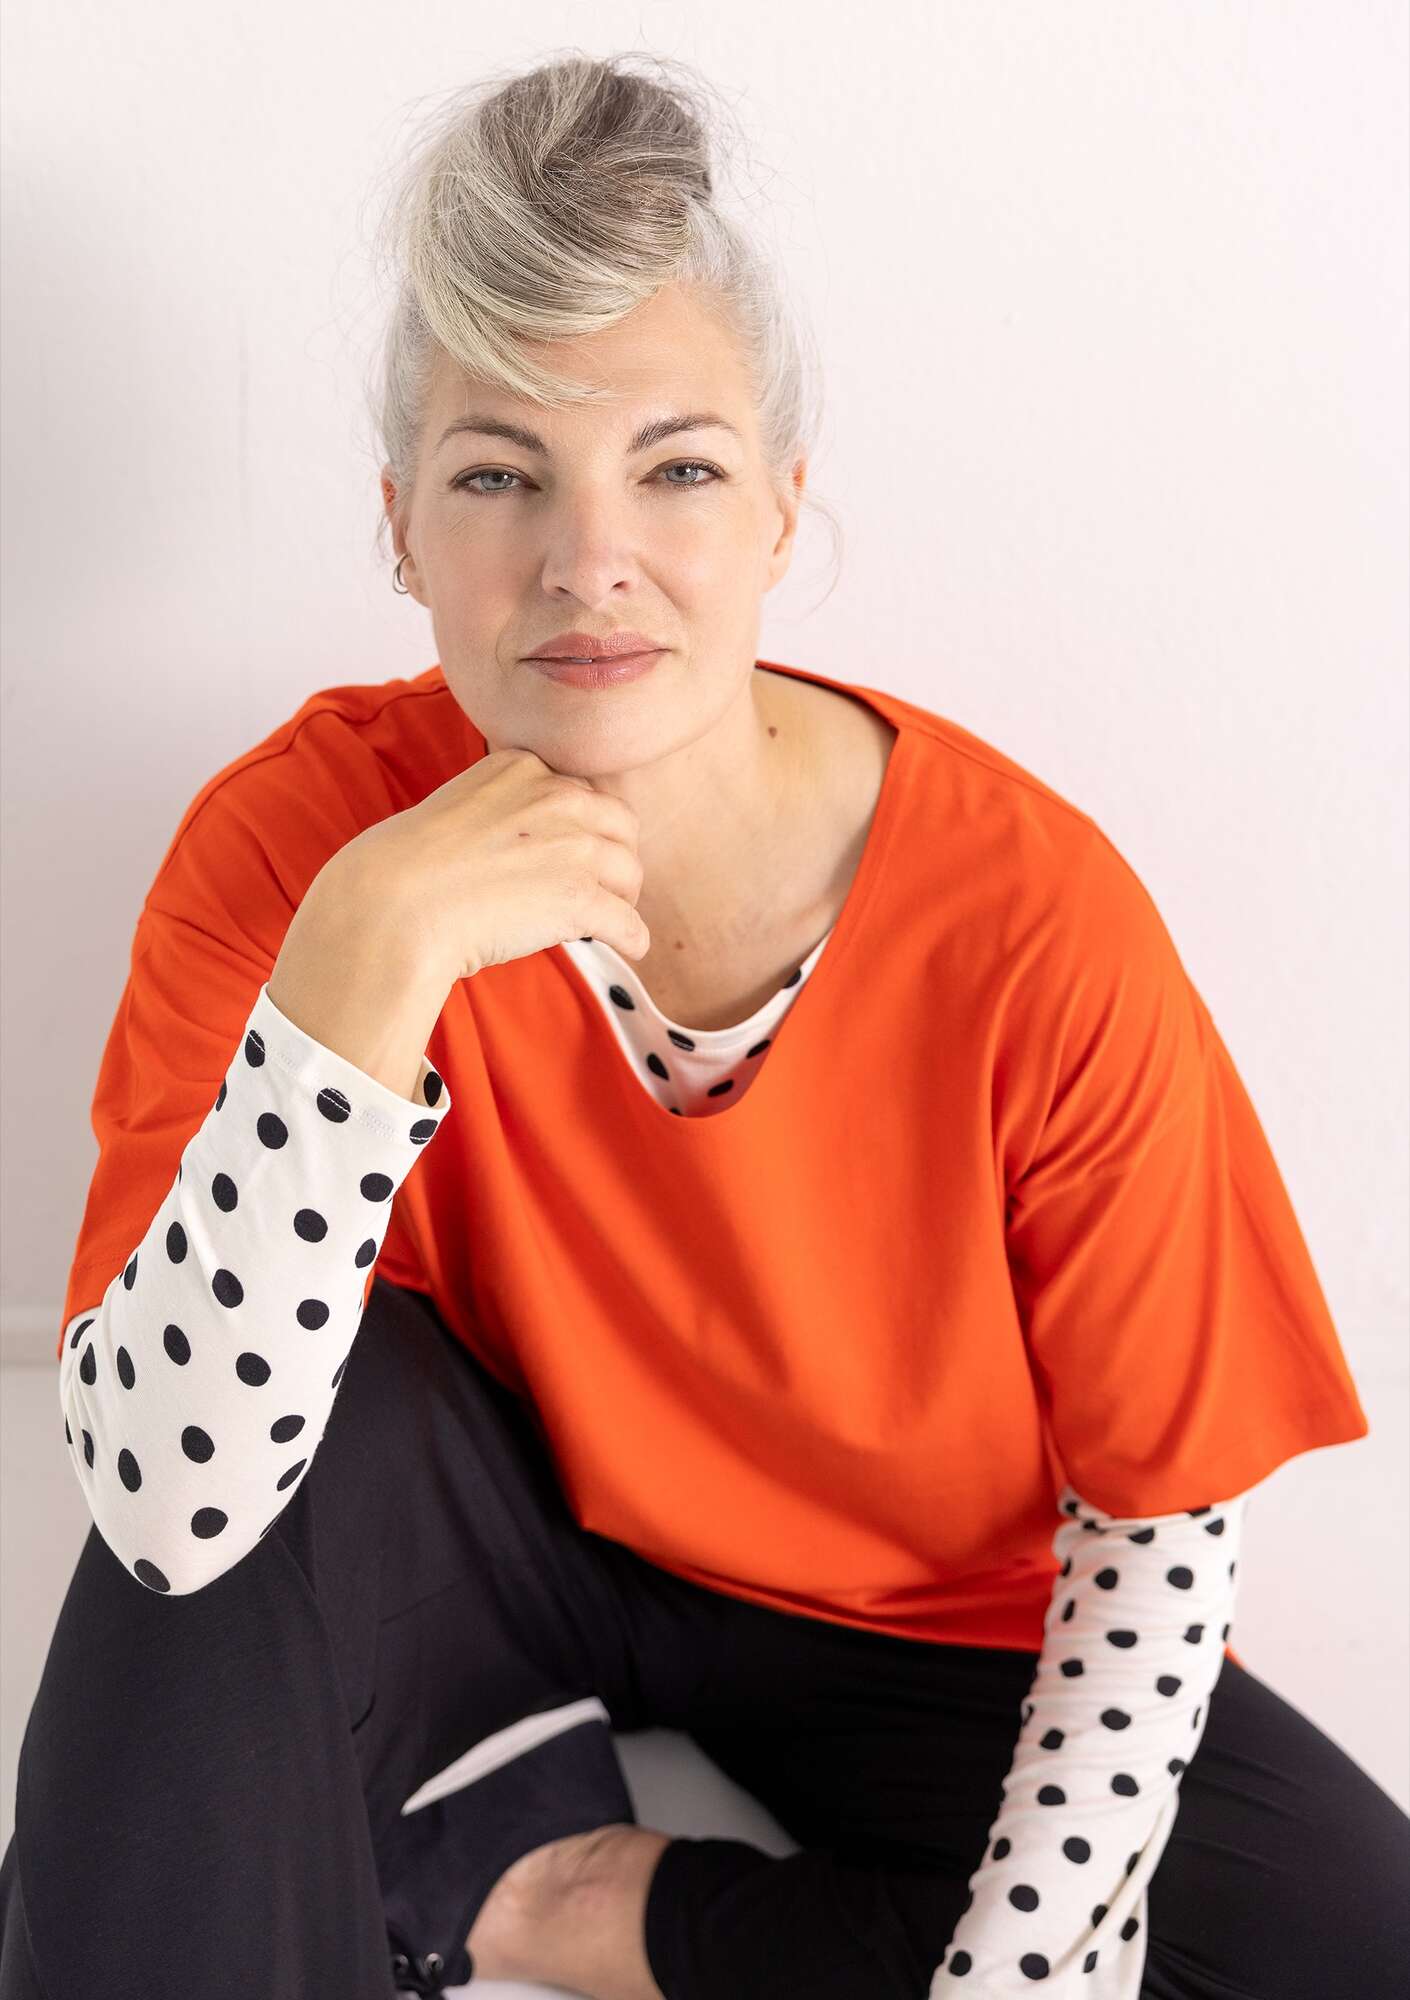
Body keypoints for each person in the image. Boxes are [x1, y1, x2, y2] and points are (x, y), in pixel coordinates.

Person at [2, 49, 1406, 2000]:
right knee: (262, 1502)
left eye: (674, 468)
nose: (588, 560)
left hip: (920, 1618)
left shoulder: (1030, 919)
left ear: (778, 513)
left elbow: (1159, 1539)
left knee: (1344, 1939)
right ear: (401, 526)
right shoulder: (306, 850)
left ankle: (549, 1885)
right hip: (510, 1538)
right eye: (497, 474)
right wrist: (359, 972)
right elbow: (170, 1515)